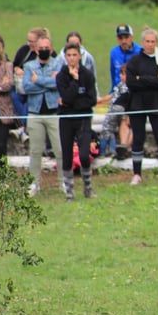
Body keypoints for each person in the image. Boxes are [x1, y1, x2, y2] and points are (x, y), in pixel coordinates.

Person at [125, 27, 158, 185]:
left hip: (156, 104)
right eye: (147, 41)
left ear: (156, 43)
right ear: (142, 42)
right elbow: (131, 83)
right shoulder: (134, 60)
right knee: (138, 139)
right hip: (137, 105)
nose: (150, 44)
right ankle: (137, 173)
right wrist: (151, 79)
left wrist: (142, 78)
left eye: (153, 41)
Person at [22, 35, 64, 197]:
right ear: (36, 49)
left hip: (54, 113)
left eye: (47, 47)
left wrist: (38, 80)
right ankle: (34, 183)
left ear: (51, 48)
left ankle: (63, 182)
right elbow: (27, 87)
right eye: (41, 47)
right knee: (35, 151)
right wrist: (48, 83)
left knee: (60, 150)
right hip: (34, 113)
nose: (44, 50)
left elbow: (58, 84)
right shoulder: (28, 66)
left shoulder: (58, 64)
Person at [57, 43, 98, 201]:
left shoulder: (87, 75)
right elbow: (66, 96)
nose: (72, 58)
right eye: (69, 55)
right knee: (67, 155)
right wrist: (74, 81)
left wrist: (71, 102)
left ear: (80, 56)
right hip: (66, 119)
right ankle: (70, 192)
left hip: (83, 119)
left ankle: (88, 186)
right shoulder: (62, 75)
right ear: (65, 57)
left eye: (75, 55)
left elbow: (91, 99)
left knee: (84, 155)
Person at [10, 27, 49, 143]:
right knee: (13, 96)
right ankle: (23, 127)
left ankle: (22, 128)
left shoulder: (45, 53)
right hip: (20, 85)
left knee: (30, 100)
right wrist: (16, 69)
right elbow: (14, 64)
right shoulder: (24, 50)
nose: (30, 44)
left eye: (32, 42)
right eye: (28, 41)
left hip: (35, 87)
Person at [97, 64, 132, 158]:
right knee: (110, 129)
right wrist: (100, 101)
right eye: (121, 74)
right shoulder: (120, 85)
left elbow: (125, 101)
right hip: (118, 109)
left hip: (116, 109)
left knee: (107, 129)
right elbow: (113, 95)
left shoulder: (128, 87)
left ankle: (105, 152)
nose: (121, 76)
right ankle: (113, 150)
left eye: (124, 74)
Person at [59, 31, 98, 96]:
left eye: (77, 44)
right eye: (71, 43)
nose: (74, 46)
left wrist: (97, 95)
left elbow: (94, 79)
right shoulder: (59, 59)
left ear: (81, 43)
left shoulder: (88, 57)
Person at [110, 24, 141, 91]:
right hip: (118, 88)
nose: (123, 41)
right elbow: (113, 73)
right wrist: (113, 90)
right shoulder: (114, 52)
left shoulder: (140, 51)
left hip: (134, 89)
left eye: (126, 37)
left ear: (132, 37)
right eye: (120, 38)